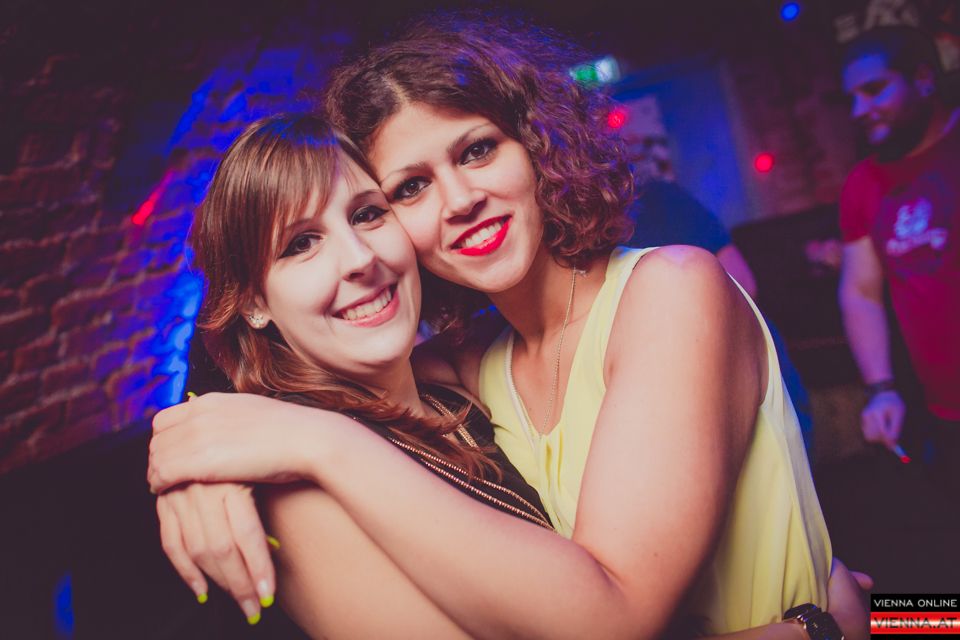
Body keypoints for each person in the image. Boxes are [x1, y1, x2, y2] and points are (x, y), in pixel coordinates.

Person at [153, 14, 866, 638]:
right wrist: (199, 475)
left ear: (536, 146)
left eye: (477, 150)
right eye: (410, 187)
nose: (460, 198)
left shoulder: (672, 288)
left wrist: (892, 615)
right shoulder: (466, 367)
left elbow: (619, 612)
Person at [838, 26, 960, 492]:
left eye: (874, 90)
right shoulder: (863, 184)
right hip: (944, 409)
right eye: (852, 98)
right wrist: (881, 389)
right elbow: (861, 291)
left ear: (923, 79)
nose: (859, 110)